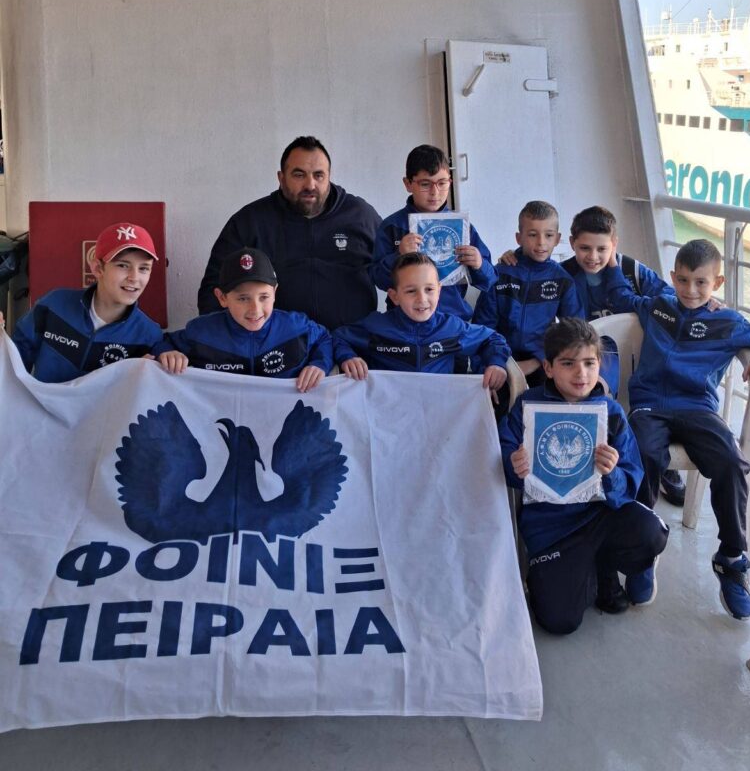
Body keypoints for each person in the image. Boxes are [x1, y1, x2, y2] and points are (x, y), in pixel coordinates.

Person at [605, 239, 750, 619]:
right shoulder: (658, 306)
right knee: (643, 454)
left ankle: (731, 558)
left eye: (700, 282)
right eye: (682, 280)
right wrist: (612, 258)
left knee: (730, 462)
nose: (690, 290)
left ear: (718, 283)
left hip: (697, 409)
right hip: (649, 406)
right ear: (672, 276)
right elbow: (621, 295)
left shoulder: (728, 321)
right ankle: (642, 549)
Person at [500, 318, 668, 635]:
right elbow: (502, 458)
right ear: (548, 368)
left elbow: (632, 479)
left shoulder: (610, 413)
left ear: (599, 365)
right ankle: (586, 570)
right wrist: (513, 464)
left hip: (601, 514)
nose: (581, 373)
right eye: (568, 363)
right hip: (552, 528)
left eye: (590, 363)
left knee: (651, 532)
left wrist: (612, 472)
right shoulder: (527, 406)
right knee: (559, 621)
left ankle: (607, 568)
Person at [155, 247, 334, 503]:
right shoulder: (202, 332)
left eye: (264, 297)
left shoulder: (296, 327)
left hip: (282, 436)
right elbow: (165, 343)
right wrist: (167, 353)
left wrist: (319, 364)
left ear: (275, 292)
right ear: (222, 298)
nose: (255, 309)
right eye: (242, 298)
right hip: (220, 438)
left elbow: (325, 338)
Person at [561, 205, 686, 507]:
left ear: (614, 244)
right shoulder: (563, 274)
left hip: (638, 365)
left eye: (602, 249)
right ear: (572, 243)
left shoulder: (633, 271)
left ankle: (662, 467)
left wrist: (708, 304)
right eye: (585, 248)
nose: (593, 256)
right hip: (594, 369)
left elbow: (670, 301)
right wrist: (512, 258)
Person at [197, 136, 381, 330]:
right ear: (281, 177)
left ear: (329, 176)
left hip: (353, 342)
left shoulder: (361, 216)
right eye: (299, 175)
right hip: (278, 344)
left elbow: (397, 277)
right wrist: (233, 342)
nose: (310, 185)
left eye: (319, 175)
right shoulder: (250, 222)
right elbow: (215, 290)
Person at [10, 222, 162, 382]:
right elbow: (12, 363)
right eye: (123, 265)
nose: (134, 277)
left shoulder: (149, 335)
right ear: (97, 268)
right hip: (42, 399)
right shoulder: (54, 305)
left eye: (144, 268)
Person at [333, 252, 509, 388]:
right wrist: (348, 357)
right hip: (388, 415)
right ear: (394, 296)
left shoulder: (452, 327)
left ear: (439, 291)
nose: (422, 299)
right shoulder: (376, 326)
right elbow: (338, 338)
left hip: (438, 414)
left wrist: (496, 364)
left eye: (429, 289)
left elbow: (493, 339)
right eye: (411, 291)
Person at [370, 144, 496, 319]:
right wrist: (398, 255)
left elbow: (489, 280)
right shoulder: (392, 226)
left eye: (442, 183)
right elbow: (378, 279)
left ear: (450, 182)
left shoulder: (462, 227)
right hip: (405, 321)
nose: (435, 192)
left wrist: (479, 264)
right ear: (408, 184)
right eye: (425, 184)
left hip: (452, 318)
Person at [473, 200, 580, 389]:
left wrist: (539, 359)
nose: (541, 242)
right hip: (499, 360)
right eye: (532, 235)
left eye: (548, 235)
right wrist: (492, 365)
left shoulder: (562, 280)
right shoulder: (501, 273)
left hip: (543, 362)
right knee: (495, 397)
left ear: (557, 239)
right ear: (519, 238)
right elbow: (483, 327)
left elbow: (573, 330)